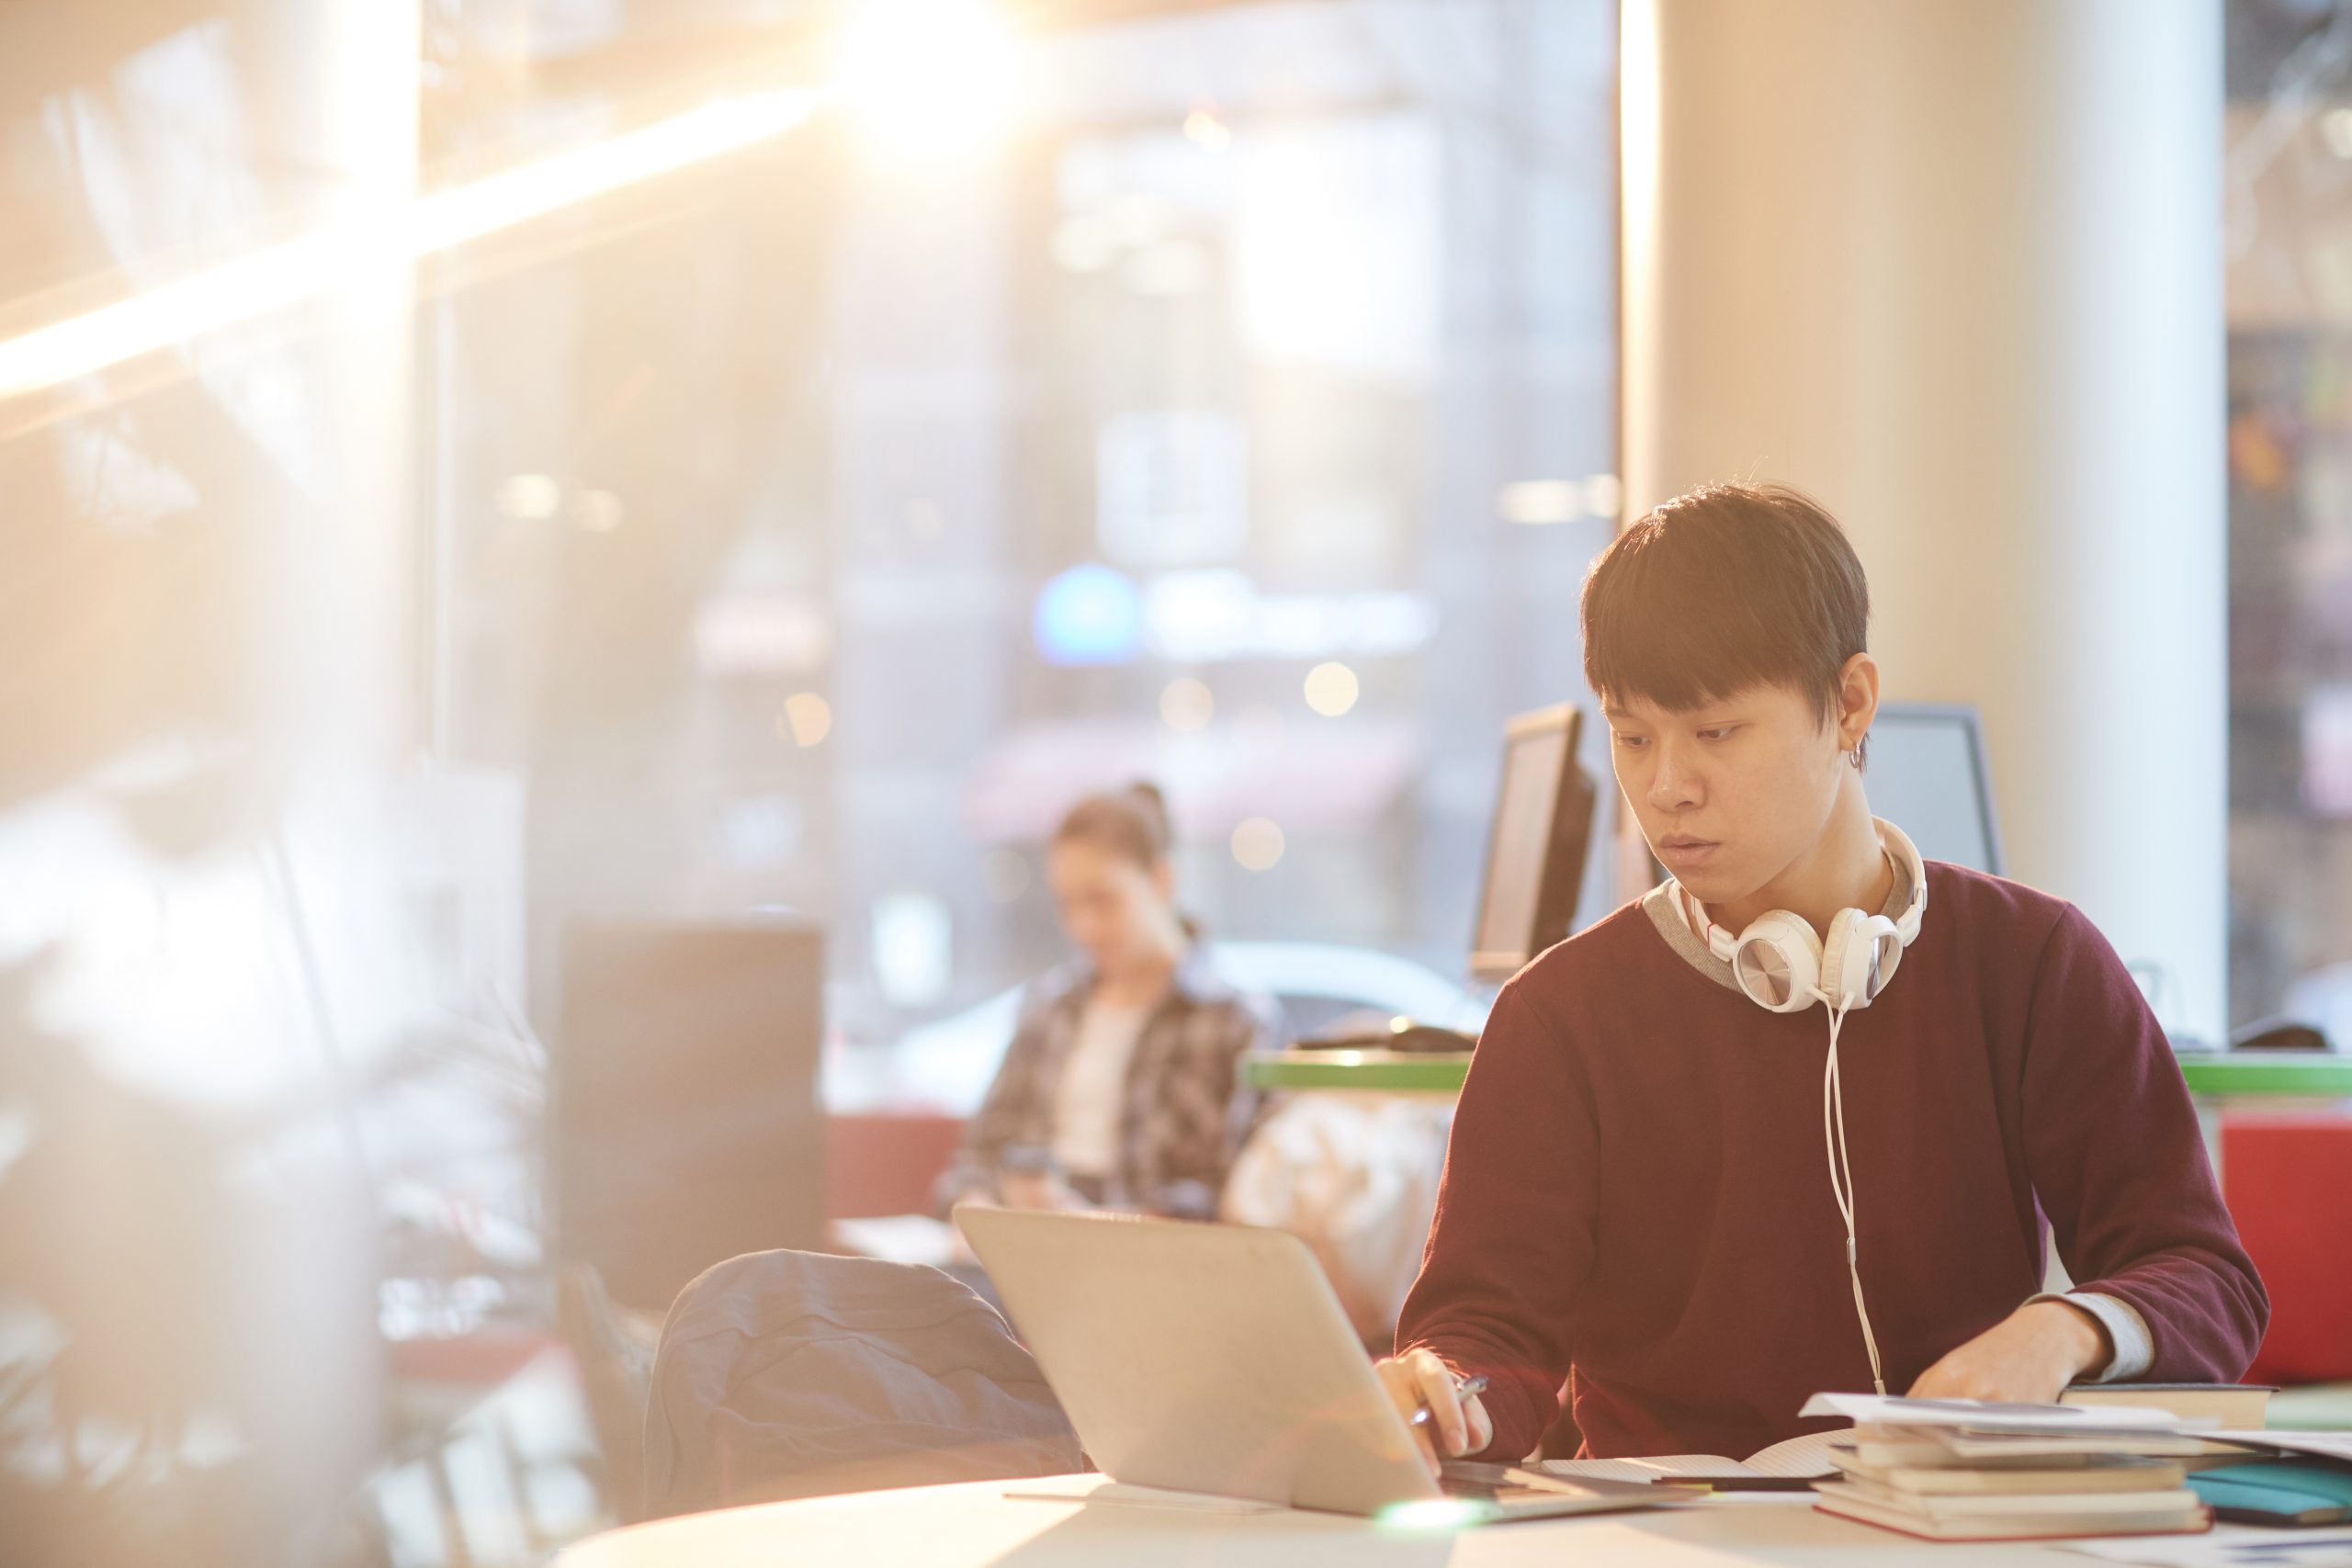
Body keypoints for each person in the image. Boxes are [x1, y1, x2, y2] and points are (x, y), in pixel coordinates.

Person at [1379, 482, 2268, 1469]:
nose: (1666, 784)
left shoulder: (2031, 964)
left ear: (1848, 705)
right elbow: (1483, 1342)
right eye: (1632, 736)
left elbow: (2203, 1278)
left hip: (1948, 1523)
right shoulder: (1559, 1018)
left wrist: (2062, 1332)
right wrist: (1439, 1392)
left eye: (1715, 732)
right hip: (1669, 1540)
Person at [935, 783, 1281, 1221]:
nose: (1084, 927)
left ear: (1160, 881)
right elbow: (978, 1154)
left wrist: (1106, 1225)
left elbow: (1235, 1194)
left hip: (1150, 1263)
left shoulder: (1235, 1020)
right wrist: (979, 1212)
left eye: (1103, 900)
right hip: (1028, 1252)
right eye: (1069, 904)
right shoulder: (1049, 1008)